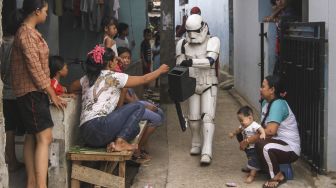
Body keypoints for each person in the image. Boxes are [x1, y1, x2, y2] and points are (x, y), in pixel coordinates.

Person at [69, 45, 169, 153]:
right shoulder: (114, 77)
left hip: (87, 134)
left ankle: (114, 143)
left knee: (135, 129)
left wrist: (86, 92)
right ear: (110, 63)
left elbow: (71, 87)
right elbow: (144, 79)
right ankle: (120, 142)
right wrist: (159, 70)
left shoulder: (87, 78)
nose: (117, 62)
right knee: (139, 106)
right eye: (115, 60)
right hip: (100, 126)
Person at [10, 0, 67, 187]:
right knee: (45, 137)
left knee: (31, 136)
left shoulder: (30, 33)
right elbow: (35, 68)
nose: (46, 14)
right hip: (31, 92)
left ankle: (32, 182)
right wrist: (52, 93)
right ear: (36, 11)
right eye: (45, 11)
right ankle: (40, 184)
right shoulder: (26, 34)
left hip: (32, 91)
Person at [239, 75, 300, 188]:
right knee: (244, 132)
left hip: (289, 148)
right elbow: (263, 127)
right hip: (276, 141)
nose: (260, 89)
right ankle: (255, 164)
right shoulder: (265, 103)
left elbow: (271, 131)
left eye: (263, 86)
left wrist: (248, 140)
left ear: (272, 90)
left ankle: (277, 176)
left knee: (263, 145)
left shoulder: (278, 104)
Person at [176, 14, 220, 164]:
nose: (192, 35)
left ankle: (207, 150)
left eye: (195, 31)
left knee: (207, 117)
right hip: (192, 84)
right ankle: (196, 143)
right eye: (189, 32)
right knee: (193, 118)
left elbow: (209, 61)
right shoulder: (182, 43)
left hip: (209, 83)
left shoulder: (213, 41)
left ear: (202, 27)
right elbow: (179, 66)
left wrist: (190, 62)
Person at [0, 10, 25, 173]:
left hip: (6, 91)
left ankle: (10, 158)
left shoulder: (3, 43)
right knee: (16, 129)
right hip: (17, 91)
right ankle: (12, 160)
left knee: (9, 128)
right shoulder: (17, 43)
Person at [229, 106, 266, 183]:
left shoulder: (254, 125)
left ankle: (252, 175)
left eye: (242, 120)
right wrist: (233, 133)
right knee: (250, 158)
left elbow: (261, 128)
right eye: (239, 121)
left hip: (254, 147)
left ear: (250, 118)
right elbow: (238, 130)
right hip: (248, 147)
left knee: (254, 160)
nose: (241, 123)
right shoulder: (243, 125)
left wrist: (262, 133)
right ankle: (250, 167)